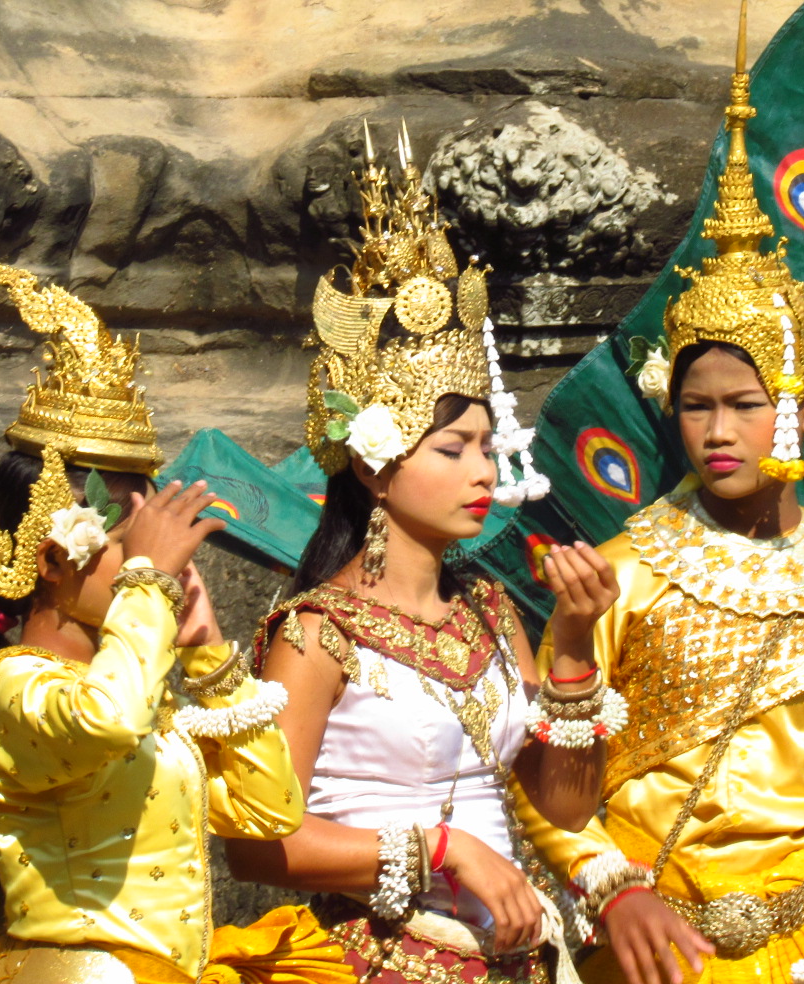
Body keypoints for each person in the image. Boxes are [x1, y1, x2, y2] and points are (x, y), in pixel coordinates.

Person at [515, 23, 804, 984]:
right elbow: (543, 789)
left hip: (801, 952)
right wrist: (612, 886)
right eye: (695, 406)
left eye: (744, 404)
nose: (717, 431)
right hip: (645, 942)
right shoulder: (621, 573)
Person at [229, 137, 621, 984]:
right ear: (374, 462)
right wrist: (445, 851)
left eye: (487, 445)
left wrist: (577, 648)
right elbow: (261, 844)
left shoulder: (489, 608)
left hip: (519, 960)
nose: (485, 471)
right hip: (374, 959)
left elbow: (565, 802)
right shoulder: (314, 635)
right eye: (453, 448)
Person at [0, 263, 335, 984]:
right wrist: (150, 585)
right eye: (130, 534)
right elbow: (109, 721)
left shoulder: (141, 695)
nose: (149, 559)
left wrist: (210, 654)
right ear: (51, 557)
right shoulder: (12, 690)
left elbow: (269, 809)